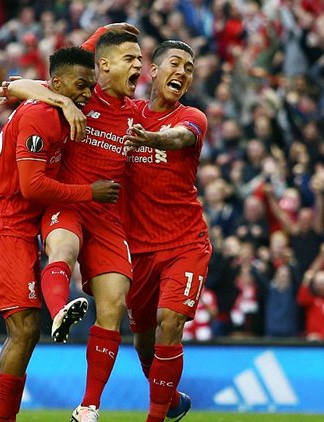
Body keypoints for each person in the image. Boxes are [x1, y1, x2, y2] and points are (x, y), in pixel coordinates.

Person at [0, 46, 119, 422]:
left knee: (25, 332)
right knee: (23, 330)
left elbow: (63, 64)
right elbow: (32, 186)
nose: (87, 93)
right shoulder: (41, 116)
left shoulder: (54, 100)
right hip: (3, 225)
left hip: (20, 225)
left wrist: (108, 34)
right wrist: (90, 192)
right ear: (55, 84)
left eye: (91, 86)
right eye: (81, 86)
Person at [2, 28, 142, 421]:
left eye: (140, 59)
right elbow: (16, 85)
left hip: (107, 215)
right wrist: (63, 97)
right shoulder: (82, 91)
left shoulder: (137, 113)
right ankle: (60, 309)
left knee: (114, 305)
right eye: (130, 58)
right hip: (68, 201)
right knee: (63, 248)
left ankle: (88, 406)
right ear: (104, 65)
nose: (138, 65)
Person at [121, 40, 208, 422]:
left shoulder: (192, 116)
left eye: (189, 68)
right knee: (143, 343)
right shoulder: (127, 113)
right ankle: (170, 401)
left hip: (185, 242)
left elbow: (182, 137)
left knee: (170, 321)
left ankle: (155, 417)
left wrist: (151, 138)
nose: (183, 72)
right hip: (137, 249)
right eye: (176, 63)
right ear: (153, 70)